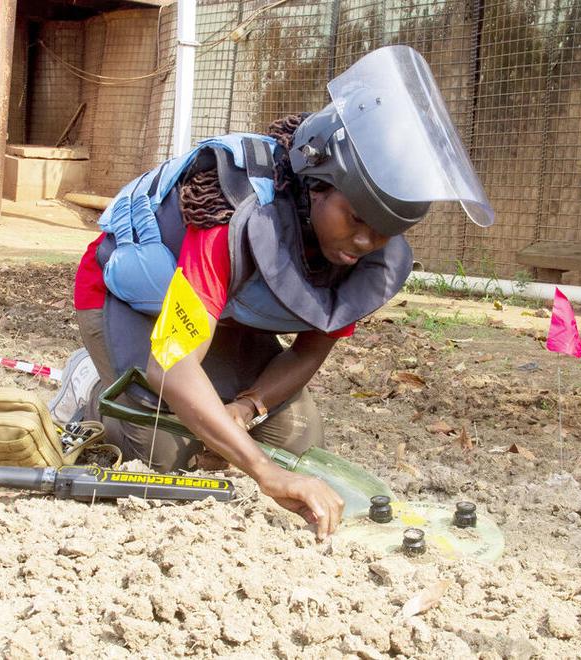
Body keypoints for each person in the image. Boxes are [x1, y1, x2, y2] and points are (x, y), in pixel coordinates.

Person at [70, 46, 494, 539]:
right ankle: (91, 387)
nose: (365, 243)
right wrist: (264, 473)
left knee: (295, 439)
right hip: (129, 302)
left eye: (384, 232)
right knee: (163, 456)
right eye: (356, 219)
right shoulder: (232, 215)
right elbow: (173, 364)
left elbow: (310, 349)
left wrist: (246, 408)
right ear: (317, 185)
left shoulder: (366, 256)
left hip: (227, 315)